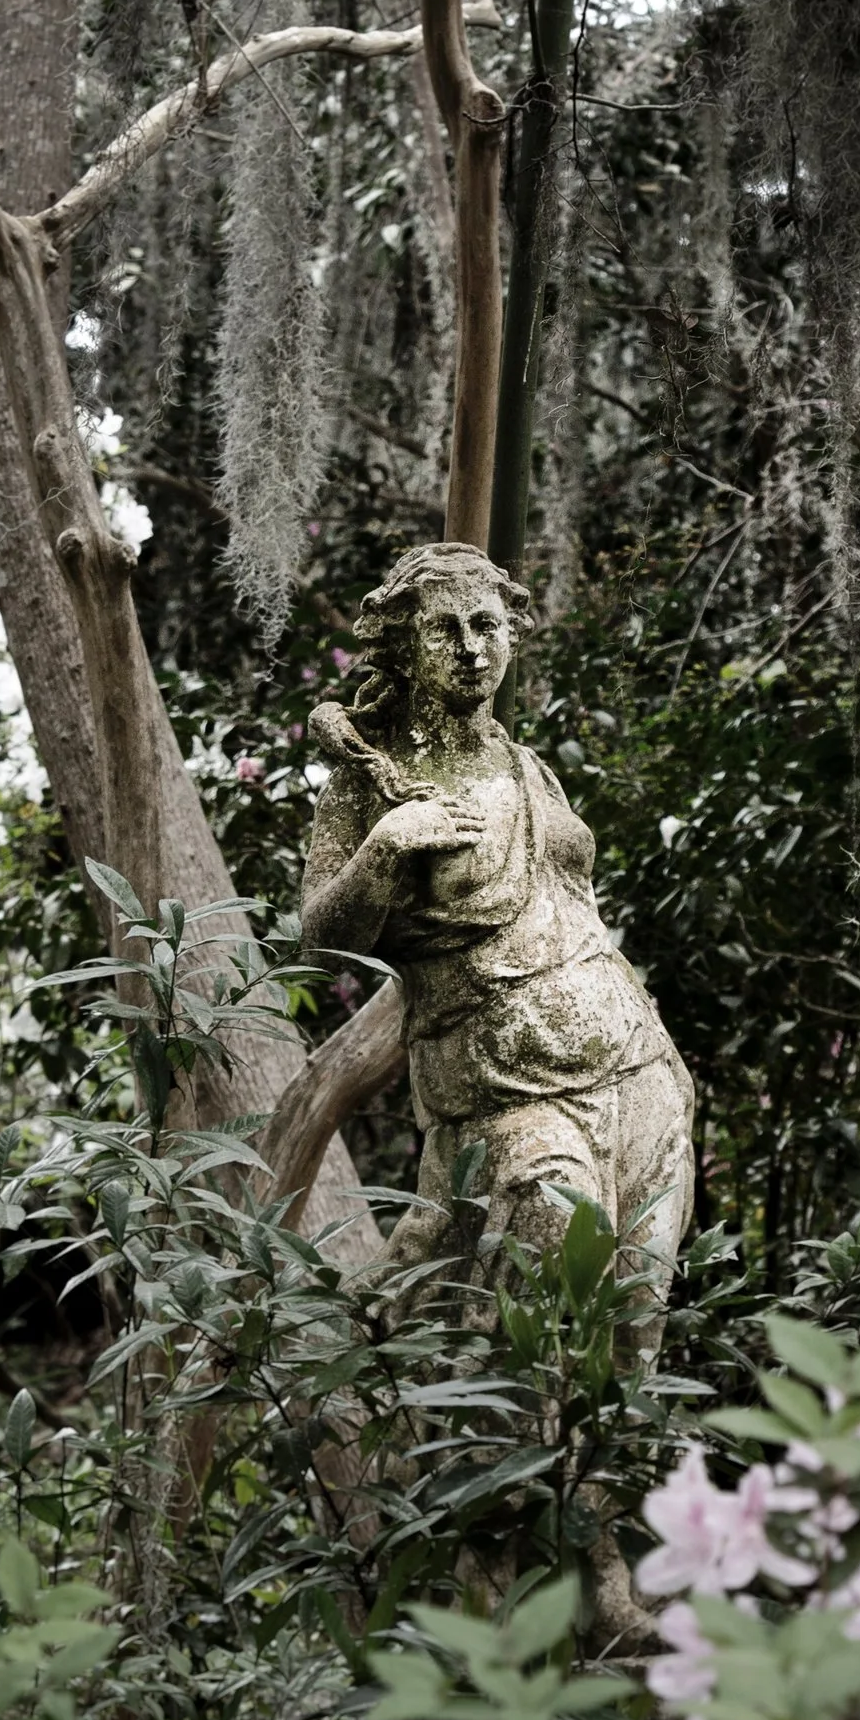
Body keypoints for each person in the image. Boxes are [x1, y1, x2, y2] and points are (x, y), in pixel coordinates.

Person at [299, 540, 694, 1311]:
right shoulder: (365, 780)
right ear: (408, 647)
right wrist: (385, 848)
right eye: (445, 630)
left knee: (638, 1314)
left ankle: (625, 1442)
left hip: (636, 1066)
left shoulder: (529, 765)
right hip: (507, 1093)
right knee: (543, 1297)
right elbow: (317, 949)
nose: (472, 648)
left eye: (487, 625)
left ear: (512, 634)